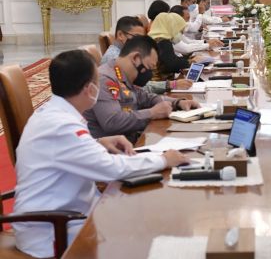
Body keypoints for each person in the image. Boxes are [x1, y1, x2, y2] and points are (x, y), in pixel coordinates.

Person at [12, 50, 189, 258]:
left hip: (68, 215)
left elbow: (64, 150)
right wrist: (163, 159)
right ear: (89, 89)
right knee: (148, 231)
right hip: (53, 230)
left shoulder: (53, 113)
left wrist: (98, 142)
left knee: (145, 218)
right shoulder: (61, 126)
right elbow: (113, 169)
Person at [84, 36, 200, 141]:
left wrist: (178, 102)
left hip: (131, 141)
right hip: (114, 152)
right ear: (136, 58)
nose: (149, 73)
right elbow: (113, 121)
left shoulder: (121, 74)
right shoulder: (105, 79)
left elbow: (146, 97)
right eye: (149, 67)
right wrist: (152, 113)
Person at [100, 16, 192, 94]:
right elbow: (136, 88)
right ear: (120, 35)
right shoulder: (114, 58)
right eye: (136, 37)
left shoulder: (126, 53)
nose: (140, 42)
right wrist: (171, 85)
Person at [148, 12, 195, 79]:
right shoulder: (163, 41)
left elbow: (170, 58)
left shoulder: (152, 38)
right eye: (178, 30)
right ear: (171, 26)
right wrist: (190, 62)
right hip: (161, 82)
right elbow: (171, 64)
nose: (179, 33)